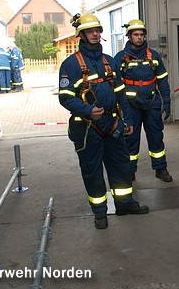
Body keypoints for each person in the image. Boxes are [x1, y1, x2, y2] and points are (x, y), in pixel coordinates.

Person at [58, 13, 149, 229]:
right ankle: (100, 212)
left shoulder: (109, 61)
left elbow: (120, 92)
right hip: (88, 127)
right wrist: (88, 110)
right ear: (81, 34)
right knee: (92, 171)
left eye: (97, 30)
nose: (95, 34)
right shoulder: (71, 64)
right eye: (90, 31)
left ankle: (124, 203)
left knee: (121, 167)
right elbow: (65, 96)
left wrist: (126, 120)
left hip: (113, 124)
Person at [113, 19, 172, 182]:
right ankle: (130, 171)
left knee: (156, 137)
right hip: (130, 106)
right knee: (130, 139)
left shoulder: (154, 56)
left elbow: (162, 80)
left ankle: (161, 168)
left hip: (152, 102)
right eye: (136, 35)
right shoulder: (120, 59)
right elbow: (115, 85)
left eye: (141, 35)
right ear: (129, 37)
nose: (139, 38)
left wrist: (166, 101)